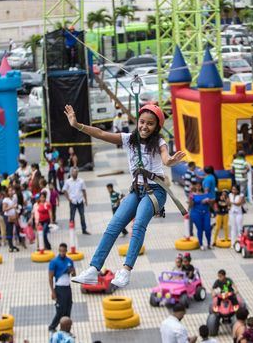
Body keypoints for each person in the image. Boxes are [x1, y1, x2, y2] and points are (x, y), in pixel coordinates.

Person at [66, 104, 184, 289]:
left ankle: (126, 271)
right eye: (142, 122)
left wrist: (171, 161)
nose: (144, 126)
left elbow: (165, 157)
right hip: (137, 190)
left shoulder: (159, 142)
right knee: (113, 226)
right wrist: (77, 125)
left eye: (150, 124)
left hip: (156, 191)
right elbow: (101, 134)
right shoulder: (129, 139)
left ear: (157, 127)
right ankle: (93, 269)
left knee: (138, 226)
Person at [48, 243, 76, 333]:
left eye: (64, 251)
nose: (62, 253)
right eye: (60, 251)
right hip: (59, 288)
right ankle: (52, 327)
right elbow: (50, 278)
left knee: (68, 308)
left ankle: (66, 329)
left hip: (67, 288)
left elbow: (73, 275)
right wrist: (53, 291)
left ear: (66, 251)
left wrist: (73, 271)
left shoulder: (70, 261)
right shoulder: (54, 262)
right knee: (60, 310)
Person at [62, 167, 89, 235]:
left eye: (76, 172)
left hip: (80, 201)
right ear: (71, 173)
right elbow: (64, 190)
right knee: (72, 216)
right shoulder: (68, 181)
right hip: (72, 201)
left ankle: (84, 229)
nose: (75, 173)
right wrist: (68, 198)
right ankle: (72, 230)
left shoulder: (81, 181)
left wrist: (85, 200)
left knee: (82, 215)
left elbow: (84, 190)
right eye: (73, 172)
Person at [190, 180, 213, 250]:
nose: (198, 187)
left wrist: (209, 201)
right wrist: (192, 199)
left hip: (206, 213)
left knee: (207, 229)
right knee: (199, 229)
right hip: (196, 213)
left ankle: (209, 244)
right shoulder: (192, 194)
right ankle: (201, 244)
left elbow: (211, 204)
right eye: (196, 185)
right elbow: (191, 205)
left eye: (199, 185)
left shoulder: (206, 193)